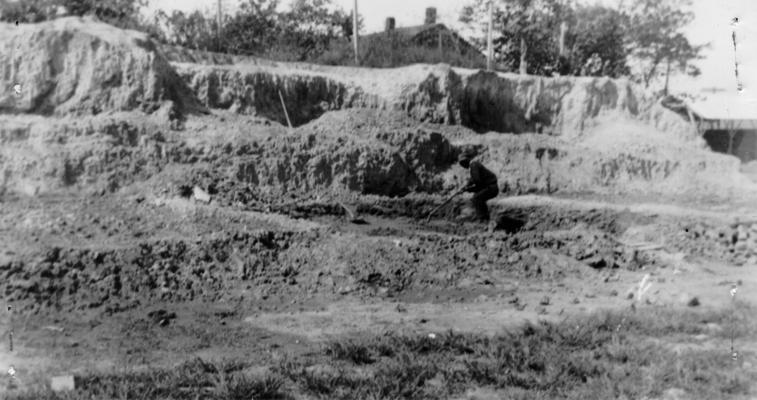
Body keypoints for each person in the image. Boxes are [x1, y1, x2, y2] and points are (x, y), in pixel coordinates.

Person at [458, 149, 499, 222]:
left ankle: (483, 218)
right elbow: (472, 180)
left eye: (463, 163)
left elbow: (478, 182)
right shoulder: (474, 165)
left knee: (477, 198)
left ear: (467, 160)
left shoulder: (474, 166)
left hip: (491, 188)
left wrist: (468, 189)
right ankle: (482, 216)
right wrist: (465, 186)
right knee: (477, 197)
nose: (463, 166)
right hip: (490, 187)